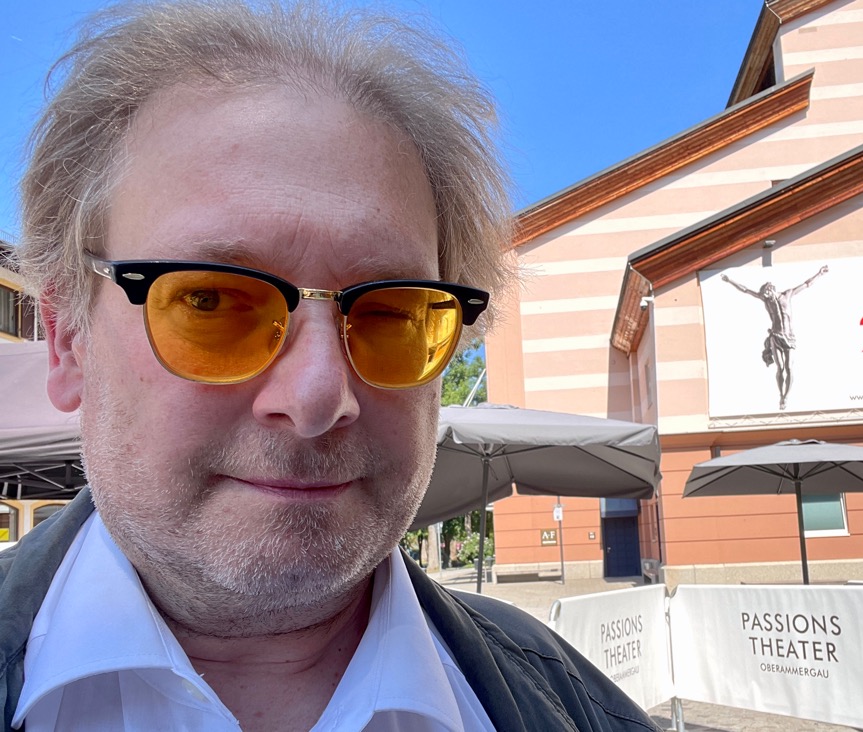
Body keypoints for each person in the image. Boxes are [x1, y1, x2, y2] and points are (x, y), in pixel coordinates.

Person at [0, 2, 659, 730]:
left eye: (390, 314)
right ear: (67, 339)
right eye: (211, 302)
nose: (318, 394)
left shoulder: (579, 709)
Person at [721, 266, 828, 410]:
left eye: (767, 293)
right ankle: (780, 395)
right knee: (780, 367)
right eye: (764, 294)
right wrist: (730, 281)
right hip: (775, 336)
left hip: (789, 337)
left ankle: (786, 396)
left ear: (771, 289)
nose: (766, 296)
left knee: (789, 367)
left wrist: (819, 274)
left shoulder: (787, 294)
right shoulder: (766, 300)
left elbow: (806, 284)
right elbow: (746, 290)